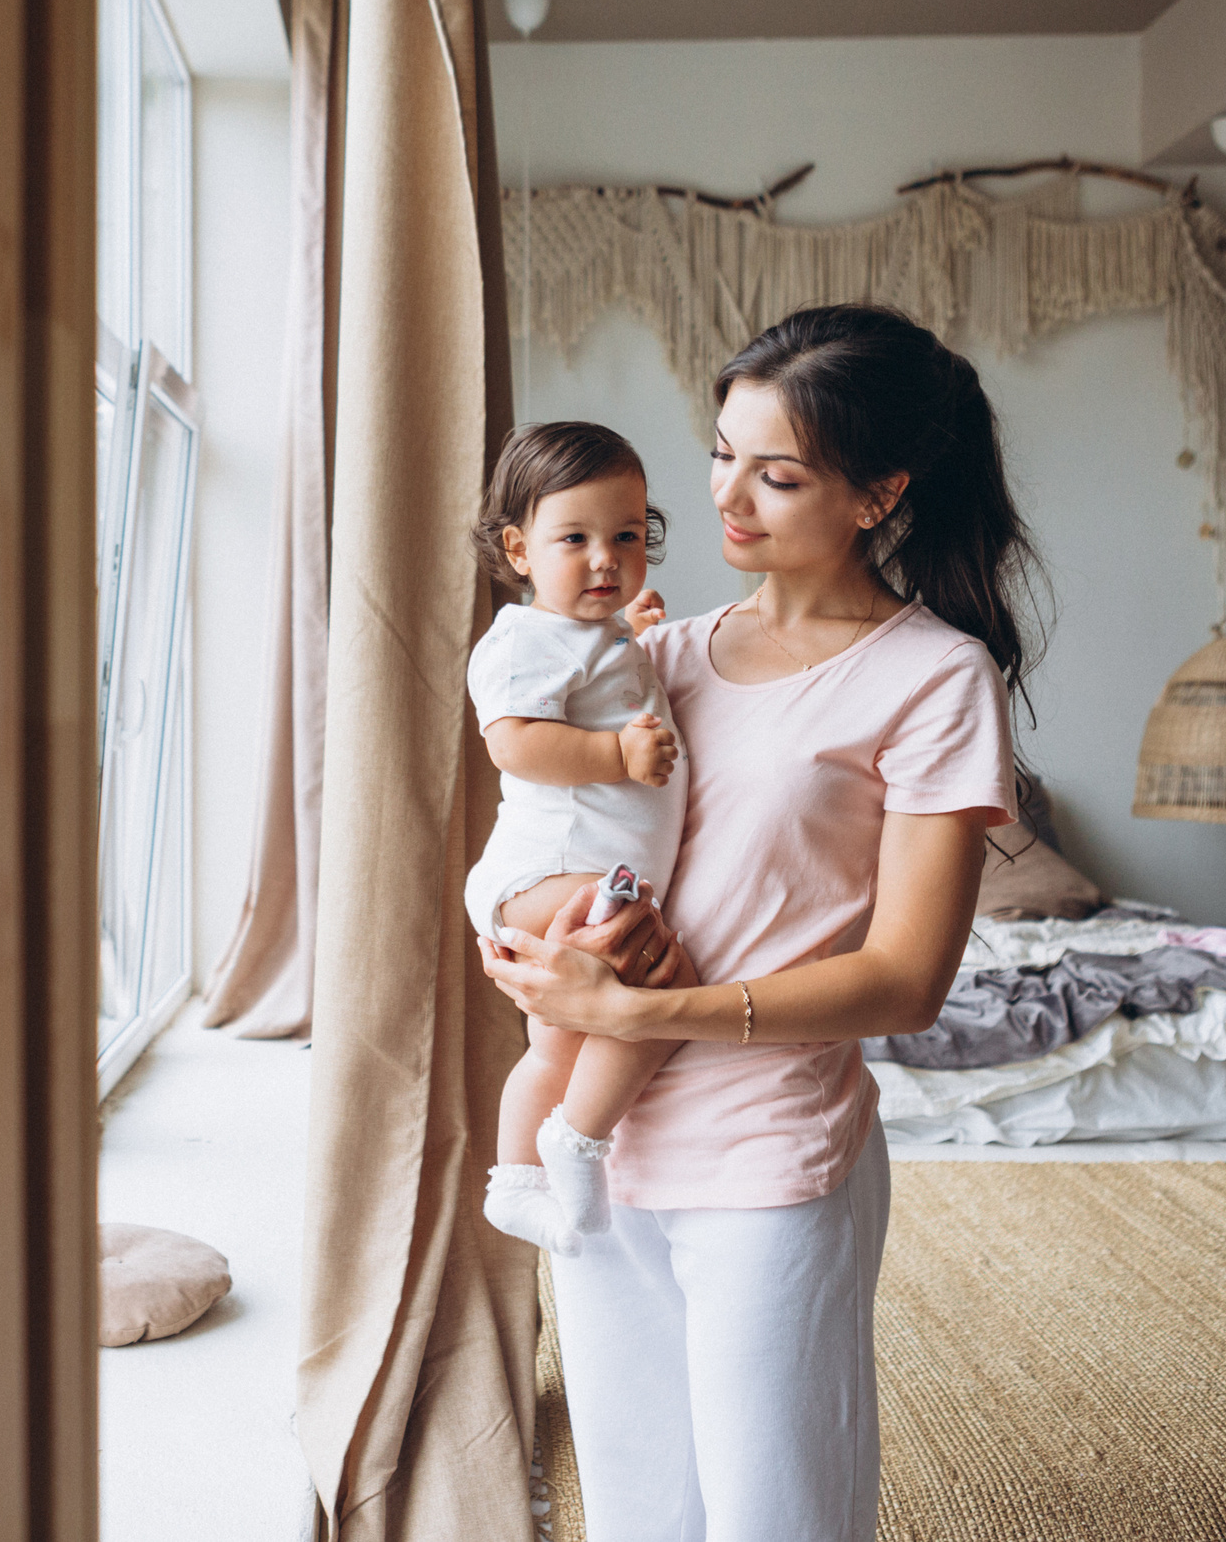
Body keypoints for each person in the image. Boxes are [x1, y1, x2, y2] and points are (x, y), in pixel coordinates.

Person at [480, 303, 1041, 1542]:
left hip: (767, 1155)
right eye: (723, 452)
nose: (729, 494)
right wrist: (521, 946)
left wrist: (642, 1011)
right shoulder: (654, 655)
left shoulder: (933, 678)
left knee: (768, 1517)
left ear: (876, 492)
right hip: (602, 1148)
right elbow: (551, 832)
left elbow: (904, 983)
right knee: (636, 1510)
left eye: (776, 473)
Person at [464, 421, 687, 1256]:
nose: (607, 557)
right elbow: (514, 742)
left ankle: (516, 1181)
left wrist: (634, 630)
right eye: (576, 538)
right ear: (519, 550)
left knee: (558, 1042)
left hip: (576, 875)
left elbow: (602, 671)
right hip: (553, 870)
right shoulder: (521, 637)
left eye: (627, 536)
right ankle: (578, 1140)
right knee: (666, 995)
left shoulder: (594, 634)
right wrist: (616, 754)